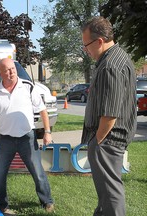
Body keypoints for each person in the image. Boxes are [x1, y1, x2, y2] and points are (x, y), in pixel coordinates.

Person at [0, 58, 55, 213]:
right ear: (0, 72)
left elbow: (42, 110)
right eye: (7, 70)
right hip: (6, 140)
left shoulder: (27, 87)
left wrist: (47, 132)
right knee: (0, 174)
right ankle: (3, 205)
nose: (11, 72)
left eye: (13, 68)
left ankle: (47, 201)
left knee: (37, 171)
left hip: (27, 138)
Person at [81, 16, 137, 216]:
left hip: (107, 140)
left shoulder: (110, 65)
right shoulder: (118, 57)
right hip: (109, 140)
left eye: (86, 45)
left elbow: (110, 113)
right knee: (106, 194)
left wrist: (97, 142)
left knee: (111, 193)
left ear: (99, 41)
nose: (86, 50)